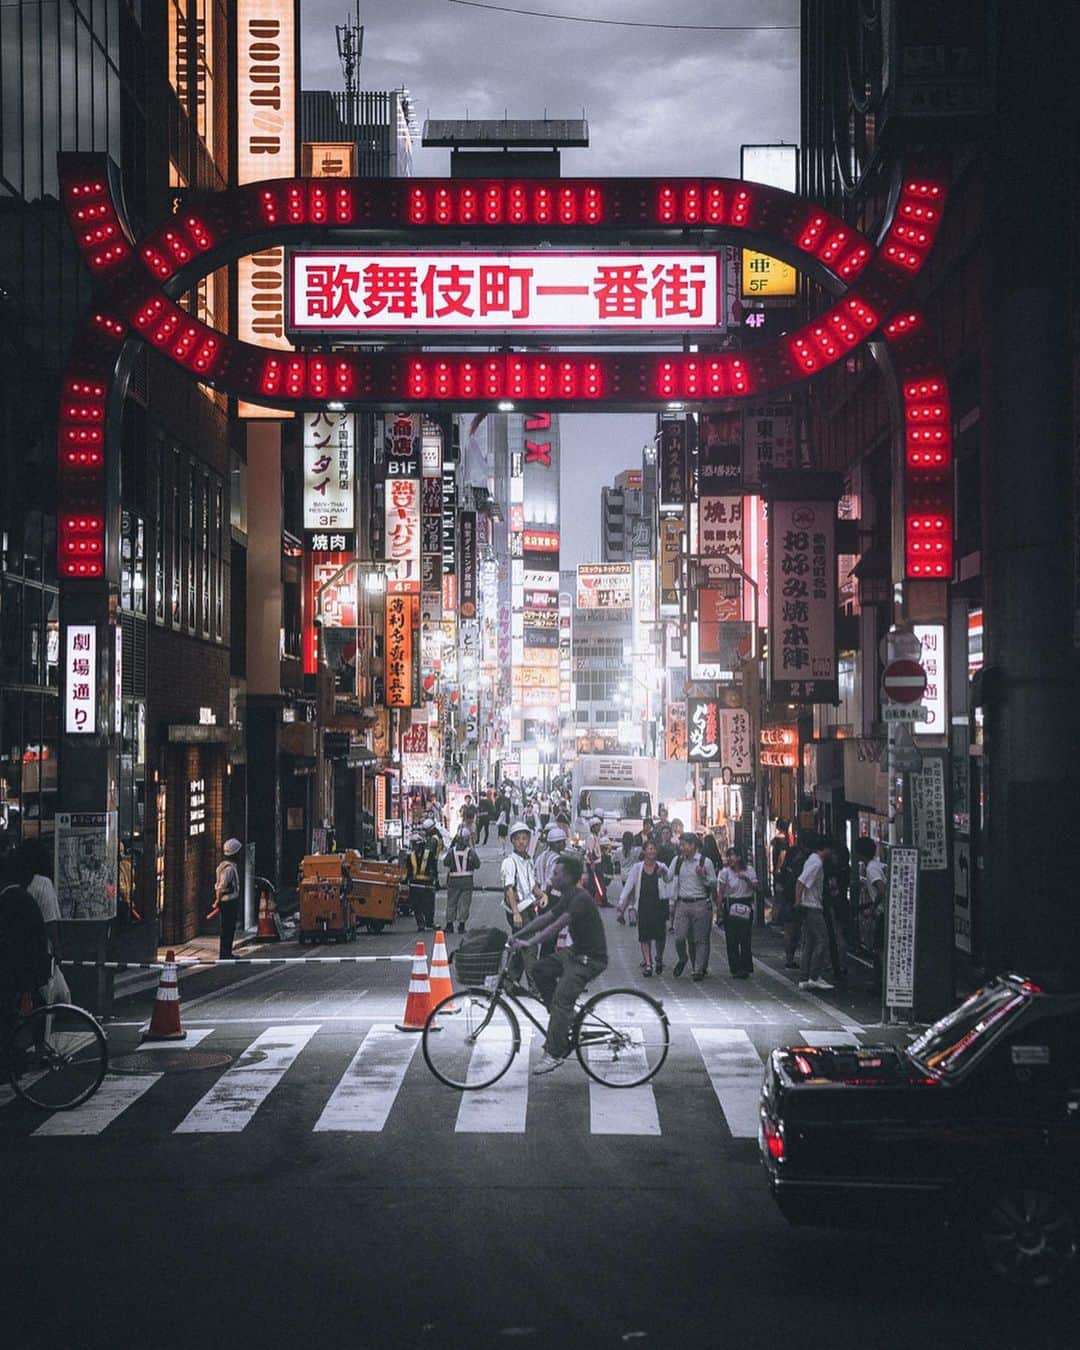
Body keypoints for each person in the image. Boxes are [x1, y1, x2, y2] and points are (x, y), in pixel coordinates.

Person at [510, 852, 608, 1075]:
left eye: (556, 874)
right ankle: (562, 1018)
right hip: (574, 953)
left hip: (589, 960)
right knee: (538, 969)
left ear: (568, 877)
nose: (552, 878)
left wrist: (529, 942)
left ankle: (554, 1053)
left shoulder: (580, 898)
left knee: (562, 1001)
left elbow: (556, 925)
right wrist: (520, 933)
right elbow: (546, 918)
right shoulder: (568, 895)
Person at [0, 847, 52, 1044]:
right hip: (31, 969)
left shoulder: (9, 899)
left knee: (10, 1017)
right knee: (30, 1013)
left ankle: (14, 1064)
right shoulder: (22, 898)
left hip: (18, 971)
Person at [663, 833, 717, 981]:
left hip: (701, 903)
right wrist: (662, 873)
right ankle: (683, 958)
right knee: (679, 937)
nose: (682, 848)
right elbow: (668, 877)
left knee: (700, 939)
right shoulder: (678, 860)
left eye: (684, 845)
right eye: (681, 845)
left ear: (693, 845)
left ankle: (698, 969)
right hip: (683, 904)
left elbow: (713, 883)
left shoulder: (705, 862)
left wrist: (703, 875)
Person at [618, 840, 669, 976]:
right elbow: (629, 884)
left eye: (654, 849)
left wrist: (664, 873)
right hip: (644, 905)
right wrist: (622, 901)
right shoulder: (637, 868)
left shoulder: (661, 866)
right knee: (644, 936)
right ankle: (648, 964)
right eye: (649, 849)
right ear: (644, 851)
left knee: (660, 936)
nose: (652, 851)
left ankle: (659, 958)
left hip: (659, 906)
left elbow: (669, 880)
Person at [796, 834, 834, 991]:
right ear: (826, 849)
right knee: (822, 940)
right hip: (812, 906)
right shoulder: (817, 863)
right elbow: (801, 881)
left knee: (810, 941)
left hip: (808, 905)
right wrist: (797, 901)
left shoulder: (812, 859)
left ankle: (805, 977)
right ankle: (814, 975)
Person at [717, 848, 759, 978]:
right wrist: (719, 909)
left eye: (732, 856)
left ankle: (746, 967)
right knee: (732, 939)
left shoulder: (749, 870)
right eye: (728, 856)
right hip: (731, 905)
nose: (730, 859)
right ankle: (735, 968)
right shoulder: (725, 872)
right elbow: (721, 892)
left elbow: (756, 888)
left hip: (745, 904)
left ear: (739, 857)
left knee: (745, 938)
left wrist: (746, 879)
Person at [854, 836, 887, 986]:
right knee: (878, 948)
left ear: (860, 853)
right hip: (885, 911)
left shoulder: (871, 869)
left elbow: (881, 889)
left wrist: (873, 908)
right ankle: (878, 980)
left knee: (879, 949)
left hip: (882, 913)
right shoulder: (878, 865)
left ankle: (884, 980)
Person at [499, 822, 545, 931]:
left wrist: (543, 895)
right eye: (517, 839)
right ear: (512, 841)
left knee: (527, 942)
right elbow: (509, 889)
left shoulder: (528, 861)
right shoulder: (509, 862)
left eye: (524, 839)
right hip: (519, 909)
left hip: (529, 906)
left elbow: (532, 886)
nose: (521, 842)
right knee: (528, 943)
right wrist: (516, 913)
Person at [22, 840, 62, 962]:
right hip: (40, 949)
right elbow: (50, 921)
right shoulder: (43, 884)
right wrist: (57, 948)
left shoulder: (15, 883)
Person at [206, 838, 242, 959]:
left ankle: (226, 952)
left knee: (228, 927)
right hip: (228, 902)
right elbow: (221, 886)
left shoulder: (227, 866)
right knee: (227, 928)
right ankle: (225, 953)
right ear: (234, 853)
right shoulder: (229, 869)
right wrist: (217, 900)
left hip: (228, 901)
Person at [776, 834, 809, 967]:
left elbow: (781, 873)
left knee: (790, 930)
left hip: (789, 896)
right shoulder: (806, 858)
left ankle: (790, 958)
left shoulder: (792, 854)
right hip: (796, 897)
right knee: (796, 930)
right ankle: (792, 958)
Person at [442, 830, 480, 934]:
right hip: (467, 880)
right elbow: (477, 865)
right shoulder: (471, 852)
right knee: (465, 903)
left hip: (453, 880)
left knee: (451, 902)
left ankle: (449, 925)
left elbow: (445, 863)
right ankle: (461, 925)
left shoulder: (452, 851)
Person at [405, 831, 440, 932]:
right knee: (417, 906)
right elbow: (409, 871)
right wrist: (405, 881)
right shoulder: (410, 856)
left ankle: (429, 922)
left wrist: (436, 880)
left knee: (428, 905)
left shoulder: (429, 854)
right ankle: (421, 923)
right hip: (416, 885)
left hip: (426, 884)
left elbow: (434, 868)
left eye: (415, 844)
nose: (414, 847)